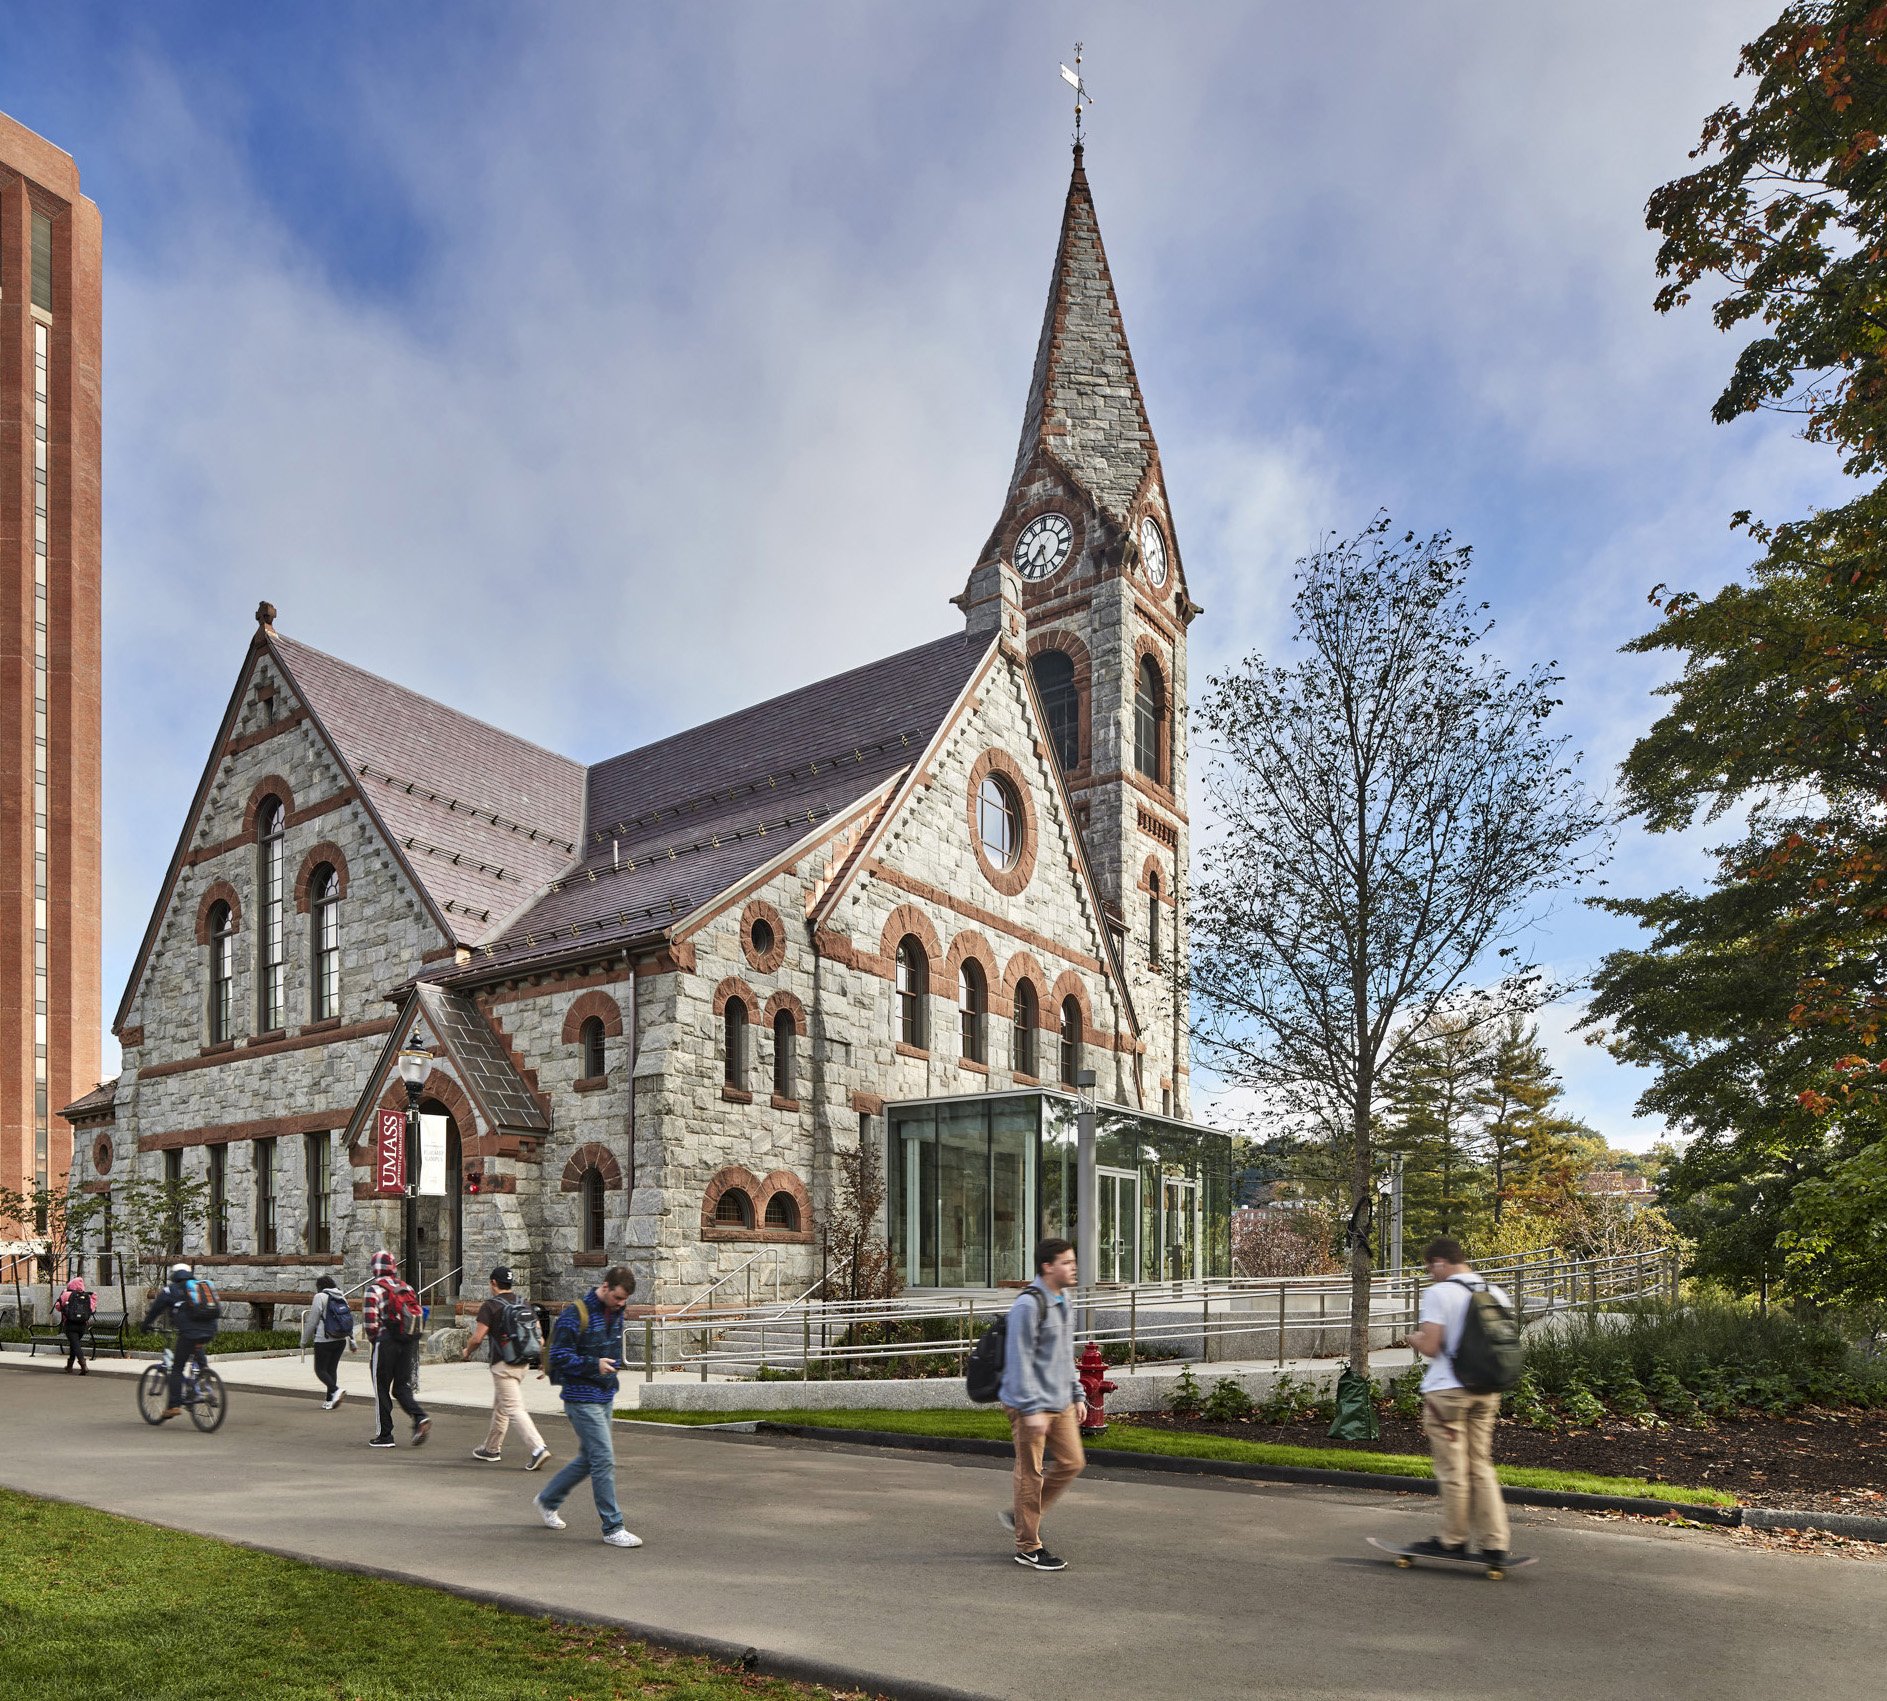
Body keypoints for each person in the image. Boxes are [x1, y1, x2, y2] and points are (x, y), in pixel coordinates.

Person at [1403, 1235, 1512, 1568]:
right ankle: (1495, 1543)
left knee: (1453, 1469)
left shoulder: (1440, 1292)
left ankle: (1453, 1540)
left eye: (1429, 1267)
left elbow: (1433, 1345)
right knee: (1480, 1465)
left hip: (1448, 1392)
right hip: (1487, 1391)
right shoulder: (1494, 1291)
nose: (1430, 1274)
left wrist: (1413, 1338)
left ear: (1440, 1262)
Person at [998, 1237, 1088, 1572]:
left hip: (1059, 1398)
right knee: (1030, 1474)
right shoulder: (1027, 1305)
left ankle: (1021, 1514)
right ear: (1047, 1267)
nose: (1073, 1267)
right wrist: (1031, 1409)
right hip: (1028, 1402)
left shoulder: (1065, 1298)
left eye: (1073, 1261)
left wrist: (1077, 1394)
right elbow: (1019, 1360)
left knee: (1072, 1461)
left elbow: (1065, 1355)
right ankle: (1028, 1546)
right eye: (1066, 1262)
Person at [534, 1265, 639, 1547]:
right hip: (580, 1397)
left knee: (589, 1459)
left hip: (605, 1395)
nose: (621, 1304)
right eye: (617, 1298)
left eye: (624, 1300)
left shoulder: (616, 1311)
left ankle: (547, 1500)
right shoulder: (575, 1313)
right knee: (603, 1458)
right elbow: (558, 1354)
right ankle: (613, 1527)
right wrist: (594, 1364)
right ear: (605, 1287)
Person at [461, 1264, 549, 1469]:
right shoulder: (524, 1303)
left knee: (513, 1408)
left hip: (503, 1365)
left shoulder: (490, 1306)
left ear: (493, 1283)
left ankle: (538, 1449)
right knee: (502, 1405)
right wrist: (543, 1363)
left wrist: (467, 1351)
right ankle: (491, 1449)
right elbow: (540, 1338)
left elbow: (477, 1337)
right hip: (523, 1363)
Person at [362, 1250, 430, 1449]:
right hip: (407, 1341)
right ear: (393, 1267)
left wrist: (376, 1341)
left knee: (381, 1387)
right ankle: (420, 1417)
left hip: (385, 1342)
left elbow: (370, 1323)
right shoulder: (406, 1287)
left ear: (375, 1268)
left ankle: (385, 1435)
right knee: (402, 1387)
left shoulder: (373, 1289)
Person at [139, 1261, 219, 1420]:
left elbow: (155, 1310)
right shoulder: (199, 1286)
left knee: (177, 1369)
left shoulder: (170, 1290)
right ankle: (206, 1386)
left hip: (189, 1333)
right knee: (199, 1357)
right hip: (209, 1330)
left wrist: (145, 1325)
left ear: (174, 1275)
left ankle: (174, 1405)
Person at [301, 1274, 353, 1411]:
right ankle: (330, 1400)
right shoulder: (341, 1296)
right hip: (340, 1339)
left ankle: (336, 1390)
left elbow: (312, 1321)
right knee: (331, 1370)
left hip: (324, 1339)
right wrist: (352, 1340)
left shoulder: (320, 1297)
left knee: (320, 1370)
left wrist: (304, 1340)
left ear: (320, 1286)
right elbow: (347, 1319)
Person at [55, 1275, 96, 1374]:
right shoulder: (87, 1296)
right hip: (82, 1325)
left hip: (70, 1324)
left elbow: (58, 1307)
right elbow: (92, 1309)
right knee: (74, 1344)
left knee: (75, 1345)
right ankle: (69, 1366)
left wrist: (62, 1297)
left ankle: (83, 1365)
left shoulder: (66, 1294)